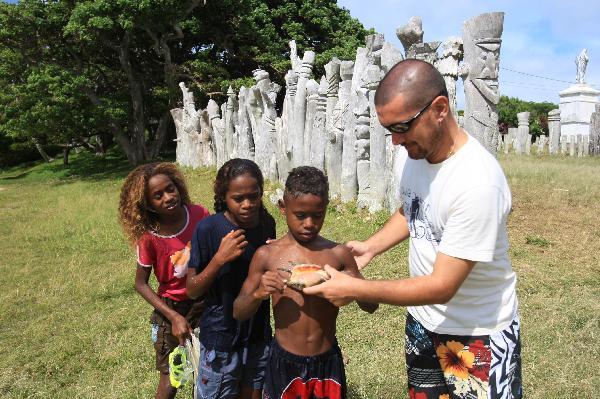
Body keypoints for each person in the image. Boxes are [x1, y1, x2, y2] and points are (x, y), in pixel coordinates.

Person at [304, 59, 522, 399]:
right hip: (422, 321)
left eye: (402, 127)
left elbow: (442, 286)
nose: (395, 140)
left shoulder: (478, 182)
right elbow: (412, 208)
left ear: (439, 108)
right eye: (389, 129)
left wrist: (357, 288)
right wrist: (372, 246)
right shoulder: (413, 153)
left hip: (476, 333)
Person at [233, 166, 377, 399]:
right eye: (300, 215)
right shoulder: (267, 255)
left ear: (326, 208)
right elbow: (239, 311)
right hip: (283, 360)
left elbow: (371, 306)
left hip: (326, 359)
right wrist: (259, 292)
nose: (309, 223)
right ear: (283, 208)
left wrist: (354, 284)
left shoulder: (338, 254)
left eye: (317, 215)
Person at [118, 162, 210, 399]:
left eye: (170, 189)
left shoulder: (199, 214)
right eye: (157, 196)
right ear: (147, 204)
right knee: (172, 377)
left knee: (208, 371)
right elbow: (140, 283)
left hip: (206, 302)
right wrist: (174, 317)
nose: (168, 197)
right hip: (172, 309)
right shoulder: (149, 237)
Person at [186, 158, 276, 399]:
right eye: (238, 199)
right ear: (223, 197)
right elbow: (192, 290)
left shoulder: (267, 223)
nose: (247, 204)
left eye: (254, 196)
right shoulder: (208, 229)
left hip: (258, 333)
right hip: (220, 338)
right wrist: (219, 259)